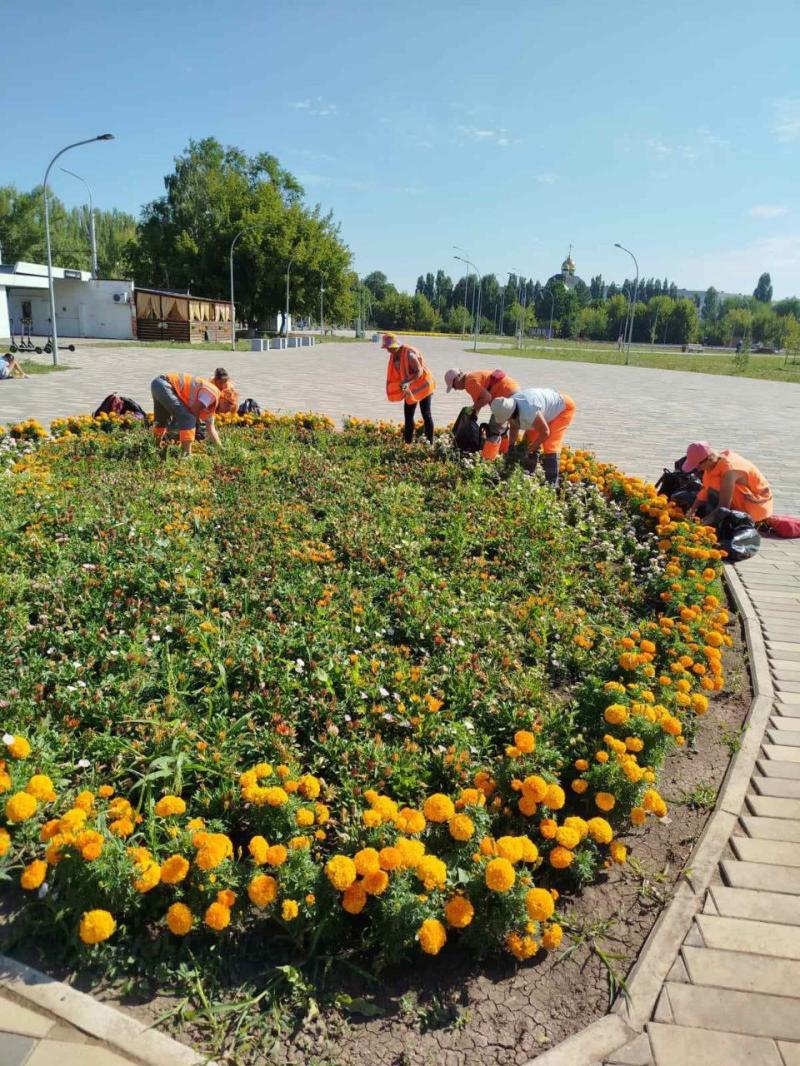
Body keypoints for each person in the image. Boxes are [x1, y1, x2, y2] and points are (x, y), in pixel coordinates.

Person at [490, 387, 577, 485]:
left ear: (511, 412)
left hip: (564, 407)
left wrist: (529, 450)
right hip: (544, 408)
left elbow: (545, 432)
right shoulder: (510, 405)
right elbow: (514, 427)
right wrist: (511, 447)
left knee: (550, 444)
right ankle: (528, 474)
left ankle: (552, 484)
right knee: (527, 440)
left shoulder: (529, 410)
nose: (508, 420)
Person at [684, 441, 773, 524]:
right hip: (744, 496)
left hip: (758, 506)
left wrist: (701, 524)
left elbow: (723, 506)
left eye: (697, 465)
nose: (697, 469)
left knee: (716, 485)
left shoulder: (729, 471)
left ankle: (744, 516)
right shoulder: (714, 462)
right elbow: (705, 489)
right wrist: (692, 509)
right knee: (712, 483)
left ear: (709, 459)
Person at [445, 367, 522, 459]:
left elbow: (487, 398)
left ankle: (488, 460)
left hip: (506, 397)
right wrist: (473, 414)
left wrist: (472, 410)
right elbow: (480, 401)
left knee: (494, 431)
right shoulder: (472, 377)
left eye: (453, 386)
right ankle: (503, 455)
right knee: (503, 430)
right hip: (515, 393)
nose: (455, 389)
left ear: (457, 379)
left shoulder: (470, 383)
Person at [150, 369, 227, 456]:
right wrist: (196, 422)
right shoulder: (212, 394)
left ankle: (155, 446)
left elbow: (211, 428)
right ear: (225, 400)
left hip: (157, 383)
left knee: (161, 419)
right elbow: (194, 410)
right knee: (188, 417)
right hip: (166, 385)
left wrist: (220, 449)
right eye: (228, 408)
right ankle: (186, 454)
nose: (226, 412)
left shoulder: (211, 403)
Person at [383, 332, 435, 444]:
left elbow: (419, 371)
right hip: (411, 389)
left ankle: (430, 444)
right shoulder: (394, 355)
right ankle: (407, 444)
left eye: (389, 348)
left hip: (424, 386)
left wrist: (407, 382)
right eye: (387, 348)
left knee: (426, 414)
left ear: (395, 345)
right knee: (408, 416)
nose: (388, 351)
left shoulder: (409, 354)